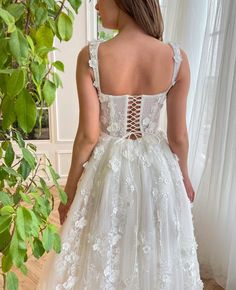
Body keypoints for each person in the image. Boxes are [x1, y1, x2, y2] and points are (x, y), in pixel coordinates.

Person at [37, 0, 204, 289]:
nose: (96, 6)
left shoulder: (90, 56)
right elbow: (178, 137)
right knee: (152, 250)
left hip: (108, 169)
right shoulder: (176, 58)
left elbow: (89, 135)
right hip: (158, 171)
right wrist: (184, 175)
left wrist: (71, 187)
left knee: (104, 250)